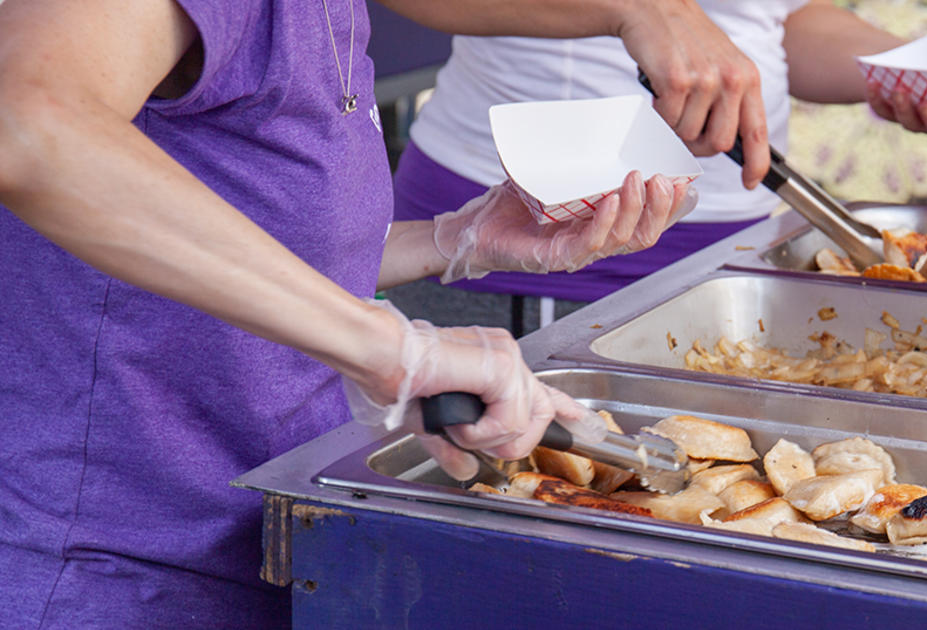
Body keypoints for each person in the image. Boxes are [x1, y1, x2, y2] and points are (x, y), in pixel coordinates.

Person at [0, 0, 774, 627]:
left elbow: (228, 240)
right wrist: (390, 347)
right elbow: (32, 126)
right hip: (105, 561)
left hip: (259, 530)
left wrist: (449, 240)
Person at [391, 0, 927, 329]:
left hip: (738, 251)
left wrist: (898, 63)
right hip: (525, 250)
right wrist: (644, 9)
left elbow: (770, 20)